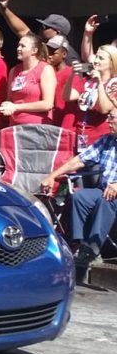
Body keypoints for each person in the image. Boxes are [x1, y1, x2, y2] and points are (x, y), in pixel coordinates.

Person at [40, 108, 117, 276]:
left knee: (107, 199)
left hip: (112, 193)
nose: (108, 121)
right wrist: (52, 176)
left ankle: (92, 249)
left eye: (112, 118)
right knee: (79, 196)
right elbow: (79, 160)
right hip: (104, 189)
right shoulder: (107, 140)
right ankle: (79, 243)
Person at [0, 0, 78, 64]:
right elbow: (22, 30)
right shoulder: (41, 43)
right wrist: (4, 9)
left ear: (57, 32)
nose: (41, 29)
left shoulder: (70, 55)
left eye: (44, 27)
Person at [62, 45, 117, 152]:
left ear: (111, 62)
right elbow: (67, 97)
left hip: (100, 141)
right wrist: (72, 75)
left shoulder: (114, 84)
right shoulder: (88, 82)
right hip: (82, 137)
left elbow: (104, 109)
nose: (95, 61)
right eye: (96, 57)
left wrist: (100, 82)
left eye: (101, 58)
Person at [0, 33, 56, 126]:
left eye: (22, 46)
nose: (18, 49)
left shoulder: (45, 69)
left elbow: (47, 104)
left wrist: (16, 107)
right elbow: (10, 98)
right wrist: (6, 105)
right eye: (18, 45)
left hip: (36, 128)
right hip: (15, 126)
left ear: (34, 50)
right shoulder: (14, 70)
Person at [48, 35, 84, 134]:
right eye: (48, 52)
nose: (49, 55)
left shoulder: (71, 74)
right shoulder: (47, 72)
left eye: (53, 53)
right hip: (49, 124)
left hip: (65, 125)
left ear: (64, 54)